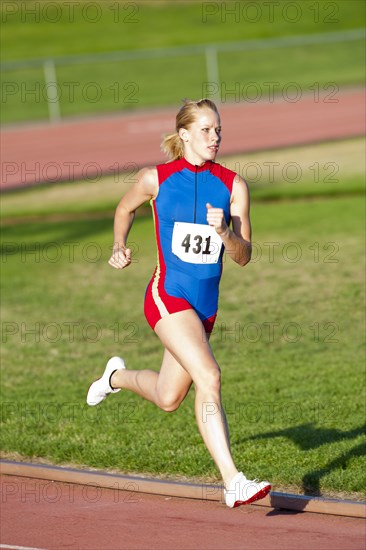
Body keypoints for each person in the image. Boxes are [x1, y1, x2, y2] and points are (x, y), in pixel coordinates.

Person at [86, 98, 271, 508]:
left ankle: (113, 377)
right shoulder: (156, 178)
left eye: (218, 130)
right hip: (167, 296)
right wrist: (119, 246)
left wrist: (226, 233)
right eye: (206, 130)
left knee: (169, 398)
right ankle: (233, 481)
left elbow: (244, 256)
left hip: (205, 310)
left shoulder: (233, 185)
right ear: (184, 134)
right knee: (210, 375)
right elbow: (123, 208)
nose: (215, 137)